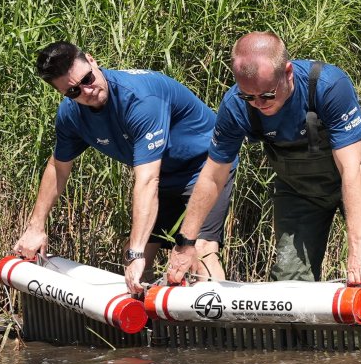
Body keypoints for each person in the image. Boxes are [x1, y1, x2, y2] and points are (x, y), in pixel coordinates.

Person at [163, 32, 361, 287]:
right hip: (298, 189)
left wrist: (356, 242)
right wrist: (186, 243)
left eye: (266, 95)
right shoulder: (235, 106)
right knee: (290, 278)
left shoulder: (328, 86)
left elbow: (351, 169)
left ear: (287, 72)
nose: (258, 104)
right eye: (248, 96)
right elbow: (212, 176)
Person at [13, 41, 231, 294]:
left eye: (87, 78)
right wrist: (35, 226)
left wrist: (137, 251)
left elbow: (148, 181)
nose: (87, 91)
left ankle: (223, 330)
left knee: (201, 249)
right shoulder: (71, 115)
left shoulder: (140, 100)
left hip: (204, 168)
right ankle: (145, 327)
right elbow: (58, 168)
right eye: (73, 91)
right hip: (162, 175)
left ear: (93, 61)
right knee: (133, 254)